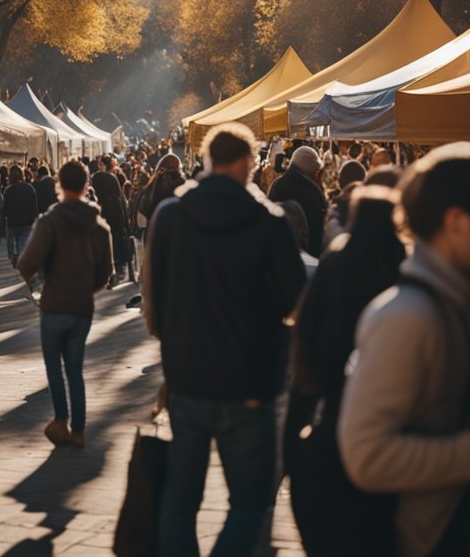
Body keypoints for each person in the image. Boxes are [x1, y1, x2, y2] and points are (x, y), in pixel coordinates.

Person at [143, 122, 306, 557]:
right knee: (251, 501)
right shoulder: (268, 222)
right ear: (247, 163)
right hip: (248, 384)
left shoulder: (170, 217)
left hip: (187, 378)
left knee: (180, 500)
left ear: (209, 161)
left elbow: (153, 295)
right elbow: (296, 302)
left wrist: (169, 344)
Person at [338, 144, 470, 557]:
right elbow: (366, 453)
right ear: (456, 222)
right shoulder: (407, 316)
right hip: (430, 537)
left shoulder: (450, 303)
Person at [285, 185, 405, 557]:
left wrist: (293, 443)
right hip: (385, 422)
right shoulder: (402, 268)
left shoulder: (336, 261)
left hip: (330, 415)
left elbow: (306, 337)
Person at [17, 159, 113, 448]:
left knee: (54, 368)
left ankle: (61, 419)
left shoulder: (50, 221)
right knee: (75, 369)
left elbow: (26, 262)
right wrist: (87, 288)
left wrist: (39, 283)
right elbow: (105, 273)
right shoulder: (99, 227)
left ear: (59, 185)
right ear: (86, 186)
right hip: (82, 306)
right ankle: (80, 430)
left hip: (54, 303)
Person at [268, 145, 328, 258]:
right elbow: (317, 225)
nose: (317, 173)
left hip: (281, 251)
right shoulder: (309, 189)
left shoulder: (278, 183)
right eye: (316, 170)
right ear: (308, 166)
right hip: (309, 252)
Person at [91, 155, 129, 282]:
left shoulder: (96, 177)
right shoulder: (113, 178)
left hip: (101, 213)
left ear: (102, 165)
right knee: (116, 239)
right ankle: (117, 268)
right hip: (114, 213)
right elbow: (120, 198)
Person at [4, 164, 39, 265]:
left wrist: (6, 217)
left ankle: (14, 256)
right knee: (23, 240)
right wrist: (34, 219)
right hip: (26, 221)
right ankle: (20, 256)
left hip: (12, 221)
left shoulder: (8, 190)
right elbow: (34, 207)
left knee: (12, 239)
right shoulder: (29, 188)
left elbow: (5, 208)